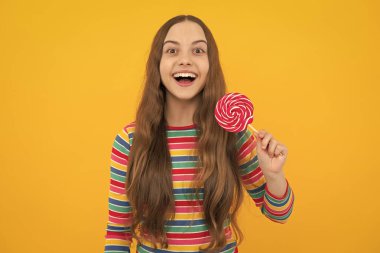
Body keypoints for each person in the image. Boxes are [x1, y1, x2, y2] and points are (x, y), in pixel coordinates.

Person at [104, 15, 295, 253]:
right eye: (172, 51)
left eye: (198, 51)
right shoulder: (130, 140)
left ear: (210, 65)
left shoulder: (233, 134)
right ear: (157, 64)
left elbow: (280, 214)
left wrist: (274, 175)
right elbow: (118, 232)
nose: (185, 60)